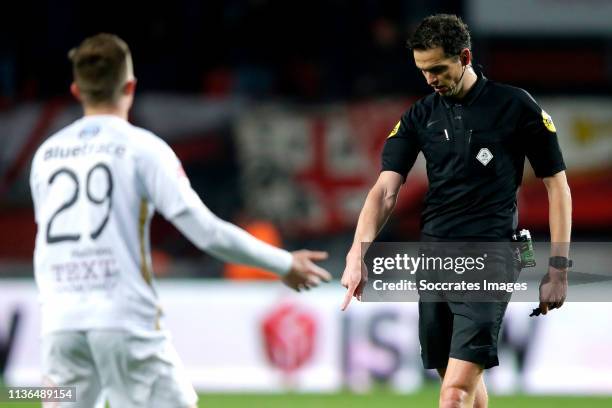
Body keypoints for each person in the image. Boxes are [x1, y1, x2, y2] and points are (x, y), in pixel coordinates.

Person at [29, 33, 331, 408]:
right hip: (123, 321)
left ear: (76, 90)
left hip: (59, 325)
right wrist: (283, 263)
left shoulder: (46, 156)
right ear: (130, 86)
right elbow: (205, 232)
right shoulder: (143, 148)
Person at [341, 14, 572, 408]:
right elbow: (384, 191)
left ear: (464, 56)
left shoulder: (515, 106)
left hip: (492, 257)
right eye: (422, 70)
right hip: (434, 259)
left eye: (437, 69)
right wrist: (357, 252)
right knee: (460, 387)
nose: (429, 79)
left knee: (453, 396)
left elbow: (558, 187)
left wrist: (559, 268)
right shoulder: (419, 116)